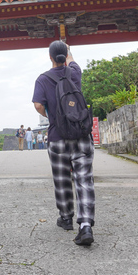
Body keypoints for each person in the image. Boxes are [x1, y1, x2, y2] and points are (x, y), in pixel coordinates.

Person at [32, 41, 95, 246]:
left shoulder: (42, 79)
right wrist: (69, 52)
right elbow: (72, 62)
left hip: (57, 136)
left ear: (50, 57)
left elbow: (38, 104)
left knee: (61, 179)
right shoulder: (74, 72)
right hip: (81, 135)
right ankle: (85, 225)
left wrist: (52, 116)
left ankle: (66, 218)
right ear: (65, 55)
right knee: (84, 179)